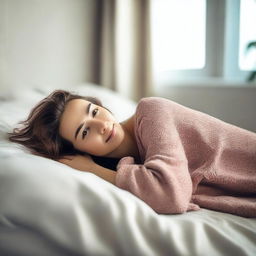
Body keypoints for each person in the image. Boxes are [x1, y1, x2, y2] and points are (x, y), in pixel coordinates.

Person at [9, 90, 256, 217]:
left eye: (94, 111)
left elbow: (172, 196)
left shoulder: (151, 111)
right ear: (78, 151)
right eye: (85, 132)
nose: (102, 125)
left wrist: (94, 170)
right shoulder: (128, 165)